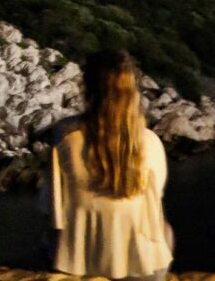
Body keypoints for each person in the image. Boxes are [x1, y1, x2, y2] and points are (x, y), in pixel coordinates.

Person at [39, 49, 174, 280]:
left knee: (50, 233)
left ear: (87, 89)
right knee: (164, 228)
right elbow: (155, 199)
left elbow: (49, 208)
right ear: (133, 92)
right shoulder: (150, 142)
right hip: (143, 269)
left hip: (79, 265)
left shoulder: (65, 137)